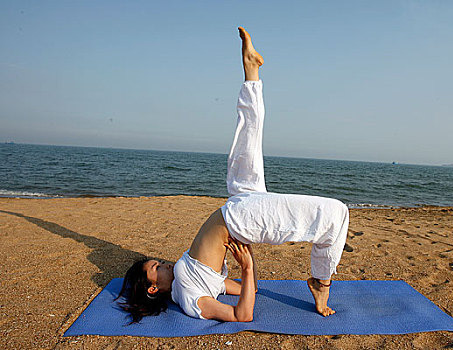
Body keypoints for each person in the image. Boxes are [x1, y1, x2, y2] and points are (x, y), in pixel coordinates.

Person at [117, 27, 349, 323]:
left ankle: (251, 72)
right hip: (241, 220)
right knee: (334, 213)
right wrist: (248, 268)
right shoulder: (189, 297)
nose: (163, 263)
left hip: (240, 204)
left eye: (157, 263)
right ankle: (321, 282)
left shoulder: (185, 284)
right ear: (153, 288)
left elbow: (235, 290)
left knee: (248, 138)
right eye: (157, 267)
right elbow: (243, 314)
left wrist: (241, 278)